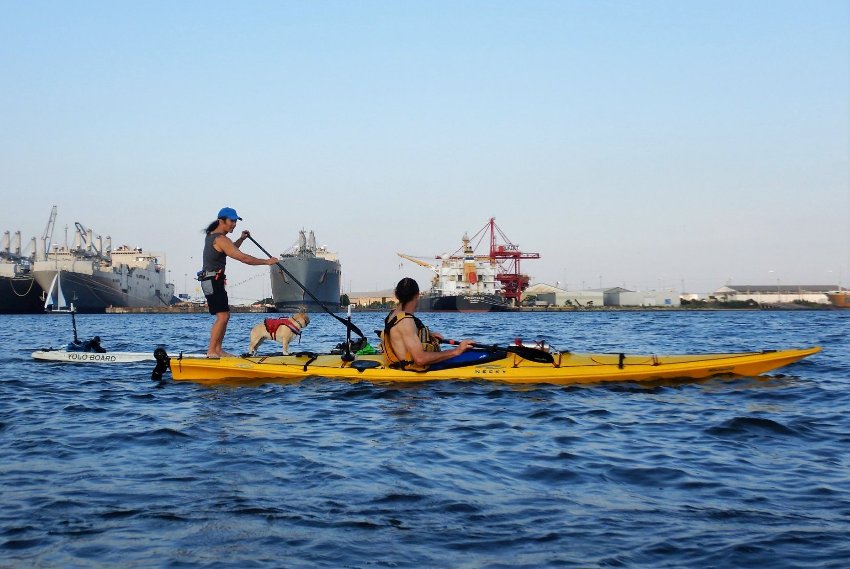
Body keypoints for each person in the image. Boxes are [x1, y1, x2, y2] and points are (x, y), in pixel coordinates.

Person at [201, 207, 278, 357]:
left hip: (213, 280)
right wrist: (267, 262)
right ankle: (212, 351)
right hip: (213, 281)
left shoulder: (214, 236)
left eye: (236, 221)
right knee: (222, 317)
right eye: (231, 221)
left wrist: (241, 239)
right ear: (221, 220)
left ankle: (217, 350)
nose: (234, 224)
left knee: (224, 316)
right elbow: (243, 258)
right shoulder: (220, 239)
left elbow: (230, 249)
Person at [381, 277, 474, 370]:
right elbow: (420, 359)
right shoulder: (405, 321)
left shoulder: (393, 314)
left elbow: (401, 336)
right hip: (411, 380)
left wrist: (430, 336)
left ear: (397, 295)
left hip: (403, 370)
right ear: (417, 295)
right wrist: (456, 351)